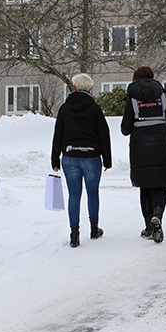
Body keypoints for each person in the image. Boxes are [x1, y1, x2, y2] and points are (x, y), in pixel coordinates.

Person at [51, 73, 112, 248]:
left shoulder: (64, 108)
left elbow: (58, 136)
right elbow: (104, 135)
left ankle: (74, 234)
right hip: (91, 157)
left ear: (75, 87)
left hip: (69, 156)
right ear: (90, 88)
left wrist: (55, 159)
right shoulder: (94, 108)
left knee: (74, 195)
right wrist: (107, 160)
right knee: (93, 193)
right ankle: (94, 229)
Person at [120, 66, 166, 243]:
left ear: (135, 79)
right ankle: (157, 216)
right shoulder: (163, 95)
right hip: (161, 144)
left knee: (145, 185)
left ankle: (149, 226)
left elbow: (126, 129)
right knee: (159, 183)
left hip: (140, 146)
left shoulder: (132, 98)